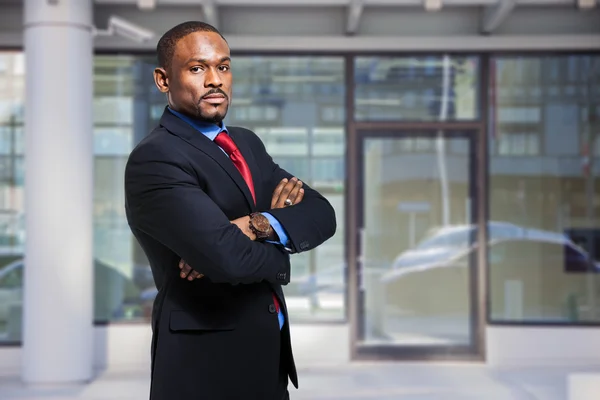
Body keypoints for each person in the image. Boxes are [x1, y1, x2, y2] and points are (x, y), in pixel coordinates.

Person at [124, 21, 337, 400]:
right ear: (163, 80)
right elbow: (227, 260)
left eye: (222, 67)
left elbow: (321, 213)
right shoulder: (156, 157)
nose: (214, 80)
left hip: (268, 358)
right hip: (206, 366)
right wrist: (261, 238)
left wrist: (253, 225)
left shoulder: (245, 143)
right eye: (196, 68)